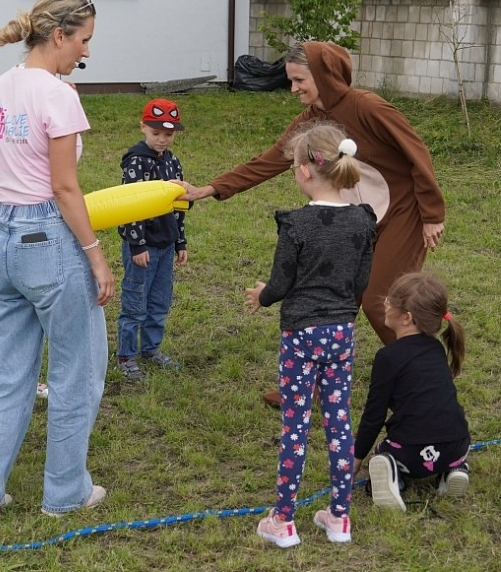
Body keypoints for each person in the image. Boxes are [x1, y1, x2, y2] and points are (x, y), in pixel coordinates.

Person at [180, 41, 445, 407]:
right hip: (353, 220)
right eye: (290, 81)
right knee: (330, 301)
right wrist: (209, 189)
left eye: (299, 80)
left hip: (402, 212)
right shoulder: (309, 123)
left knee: (379, 300)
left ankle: (423, 376)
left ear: (323, 75)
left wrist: (432, 214)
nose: (294, 90)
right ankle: (312, 386)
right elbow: (270, 160)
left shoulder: (367, 107)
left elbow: (417, 152)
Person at [0, 0, 114, 524]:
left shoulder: (0, 87)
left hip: (4, 238)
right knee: (77, 372)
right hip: (49, 239)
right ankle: (66, 493)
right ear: (59, 34)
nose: (85, 53)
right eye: (83, 40)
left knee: (6, 371)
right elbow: (66, 189)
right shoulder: (58, 96)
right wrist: (95, 256)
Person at [246, 122, 376, 547]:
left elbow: (280, 284)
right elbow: (361, 282)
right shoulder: (363, 221)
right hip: (342, 333)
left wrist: (262, 296)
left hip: (301, 335)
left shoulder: (297, 225)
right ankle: (339, 518)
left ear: (304, 170)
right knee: (339, 424)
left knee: (296, 425)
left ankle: (283, 520)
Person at [352, 272, 471, 512]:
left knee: (382, 455)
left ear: (406, 318)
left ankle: (393, 474)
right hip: (457, 444)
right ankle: (454, 469)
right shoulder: (437, 349)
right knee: (444, 438)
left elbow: (374, 416)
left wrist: (355, 460)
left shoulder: (388, 357)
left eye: (389, 301)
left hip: (411, 453)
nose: (384, 303)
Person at [115, 98, 188, 381]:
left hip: (166, 245)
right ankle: (126, 355)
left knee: (159, 301)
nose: (162, 139)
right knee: (135, 301)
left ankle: (150, 349)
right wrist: (137, 244)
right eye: (156, 133)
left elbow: (178, 205)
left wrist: (180, 241)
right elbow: (128, 205)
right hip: (142, 247)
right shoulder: (136, 162)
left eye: (168, 134)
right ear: (143, 127)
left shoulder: (173, 162)